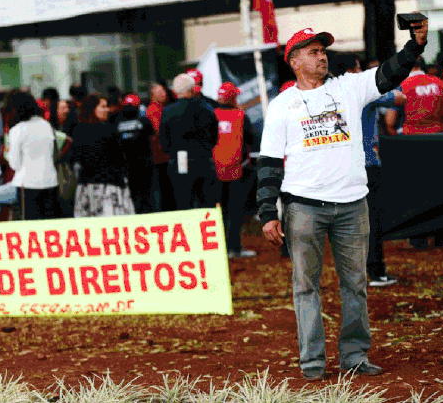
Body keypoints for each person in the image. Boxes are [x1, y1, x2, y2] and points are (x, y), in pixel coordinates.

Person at [257, 21, 428, 381]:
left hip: (353, 204)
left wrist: (415, 45)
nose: (322, 57)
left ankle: (354, 356)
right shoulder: (282, 105)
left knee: (355, 283)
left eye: (323, 51)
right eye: (314, 52)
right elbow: (269, 163)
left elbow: (388, 74)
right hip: (303, 207)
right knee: (306, 286)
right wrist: (267, 213)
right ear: (295, 61)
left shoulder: (350, 86)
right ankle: (313, 363)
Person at [344, 57, 405, 286]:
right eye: (359, 68)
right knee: (372, 221)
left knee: (346, 222)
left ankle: (353, 274)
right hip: (367, 163)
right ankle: (376, 271)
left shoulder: (327, 92)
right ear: (352, 70)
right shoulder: (362, 89)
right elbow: (400, 98)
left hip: (341, 166)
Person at [387, 56, 443, 249]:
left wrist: (396, 138)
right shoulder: (438, 83)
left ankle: (418, 237)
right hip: (438, 141)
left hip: (411, 143)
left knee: (415, 192)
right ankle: (441, 236)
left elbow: (389, 121)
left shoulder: (403, 84)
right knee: (440, 189)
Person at [160, 74, 219, 210]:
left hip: (180, 159)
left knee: (184, 202)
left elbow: (164, 142)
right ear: (193, 89)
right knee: (207, 203)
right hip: (203, 158)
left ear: (175, 91)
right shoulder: (206, 108)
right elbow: (214, 137)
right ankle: (208, 229)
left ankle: (188, 229)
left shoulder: (168, 112)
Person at [72, 94, 134, 217]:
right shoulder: (109, 131)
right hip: (109, 188)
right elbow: (120, 159)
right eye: (103, 107)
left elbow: (77, 159)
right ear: (92, 109)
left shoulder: (78, 131)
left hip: (87, 188)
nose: (107, 110)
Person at [213, 82, 256, 258]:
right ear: (233, 98)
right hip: (236, 169)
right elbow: (251, 138)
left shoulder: (212, 114)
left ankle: (219, 247)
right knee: (235, 210)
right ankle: (235, 248)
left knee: (220, 211)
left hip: (215, 170)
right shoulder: (240, 115)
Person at [7, 92, 59, 220]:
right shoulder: (47, 126)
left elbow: (15, 164)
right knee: (49, 227)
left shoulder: (17, 130)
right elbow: (54, 155)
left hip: (27, 183)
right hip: (50, 181)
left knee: (30, 227)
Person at [116, 93, 155, 214]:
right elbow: (152, 135)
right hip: (144, 164)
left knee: (132, 195)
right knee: (146, 195)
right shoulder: (143, 122)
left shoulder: (118, 123)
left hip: (128, 165)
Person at [146, 82, 174, 212]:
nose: (164, 94)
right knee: (164, 191)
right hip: (160, 157)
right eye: (160, 92)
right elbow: (159, 131)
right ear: (153, 95)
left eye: (164, 91)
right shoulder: (153, 111)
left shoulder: (165, 109)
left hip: (166, 157)